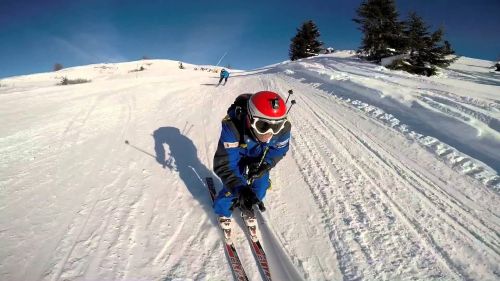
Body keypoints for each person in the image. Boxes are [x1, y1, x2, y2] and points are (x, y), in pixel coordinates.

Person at [212, 91, 291, 234]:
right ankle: (223, 210)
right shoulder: (232, 126)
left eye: (276, 126)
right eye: (262, 125)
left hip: (260, 156)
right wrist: (239, 188)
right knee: (234, 185)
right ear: (249, 118)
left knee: (260, 187)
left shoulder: (284, 129)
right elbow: (225, 164)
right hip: (238, 153)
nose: (269, 133)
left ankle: (247, 206)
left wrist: (266, 164)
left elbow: (279, 150)